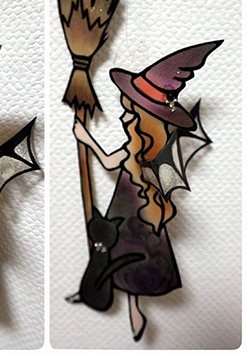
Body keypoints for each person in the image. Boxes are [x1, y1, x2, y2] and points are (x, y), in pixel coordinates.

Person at [70, 40, 222, 341]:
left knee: (136, 257)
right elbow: (108, 161)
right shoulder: (130, 150)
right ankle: (92, 291)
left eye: (130, 113)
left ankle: (134, 307)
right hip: (121, 212)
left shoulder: (151, 158)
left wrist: (86, 139)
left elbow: (113, 164)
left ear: (145, 121)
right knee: (108, 249)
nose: (124, 118)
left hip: (141, 216)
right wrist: (85, 139)